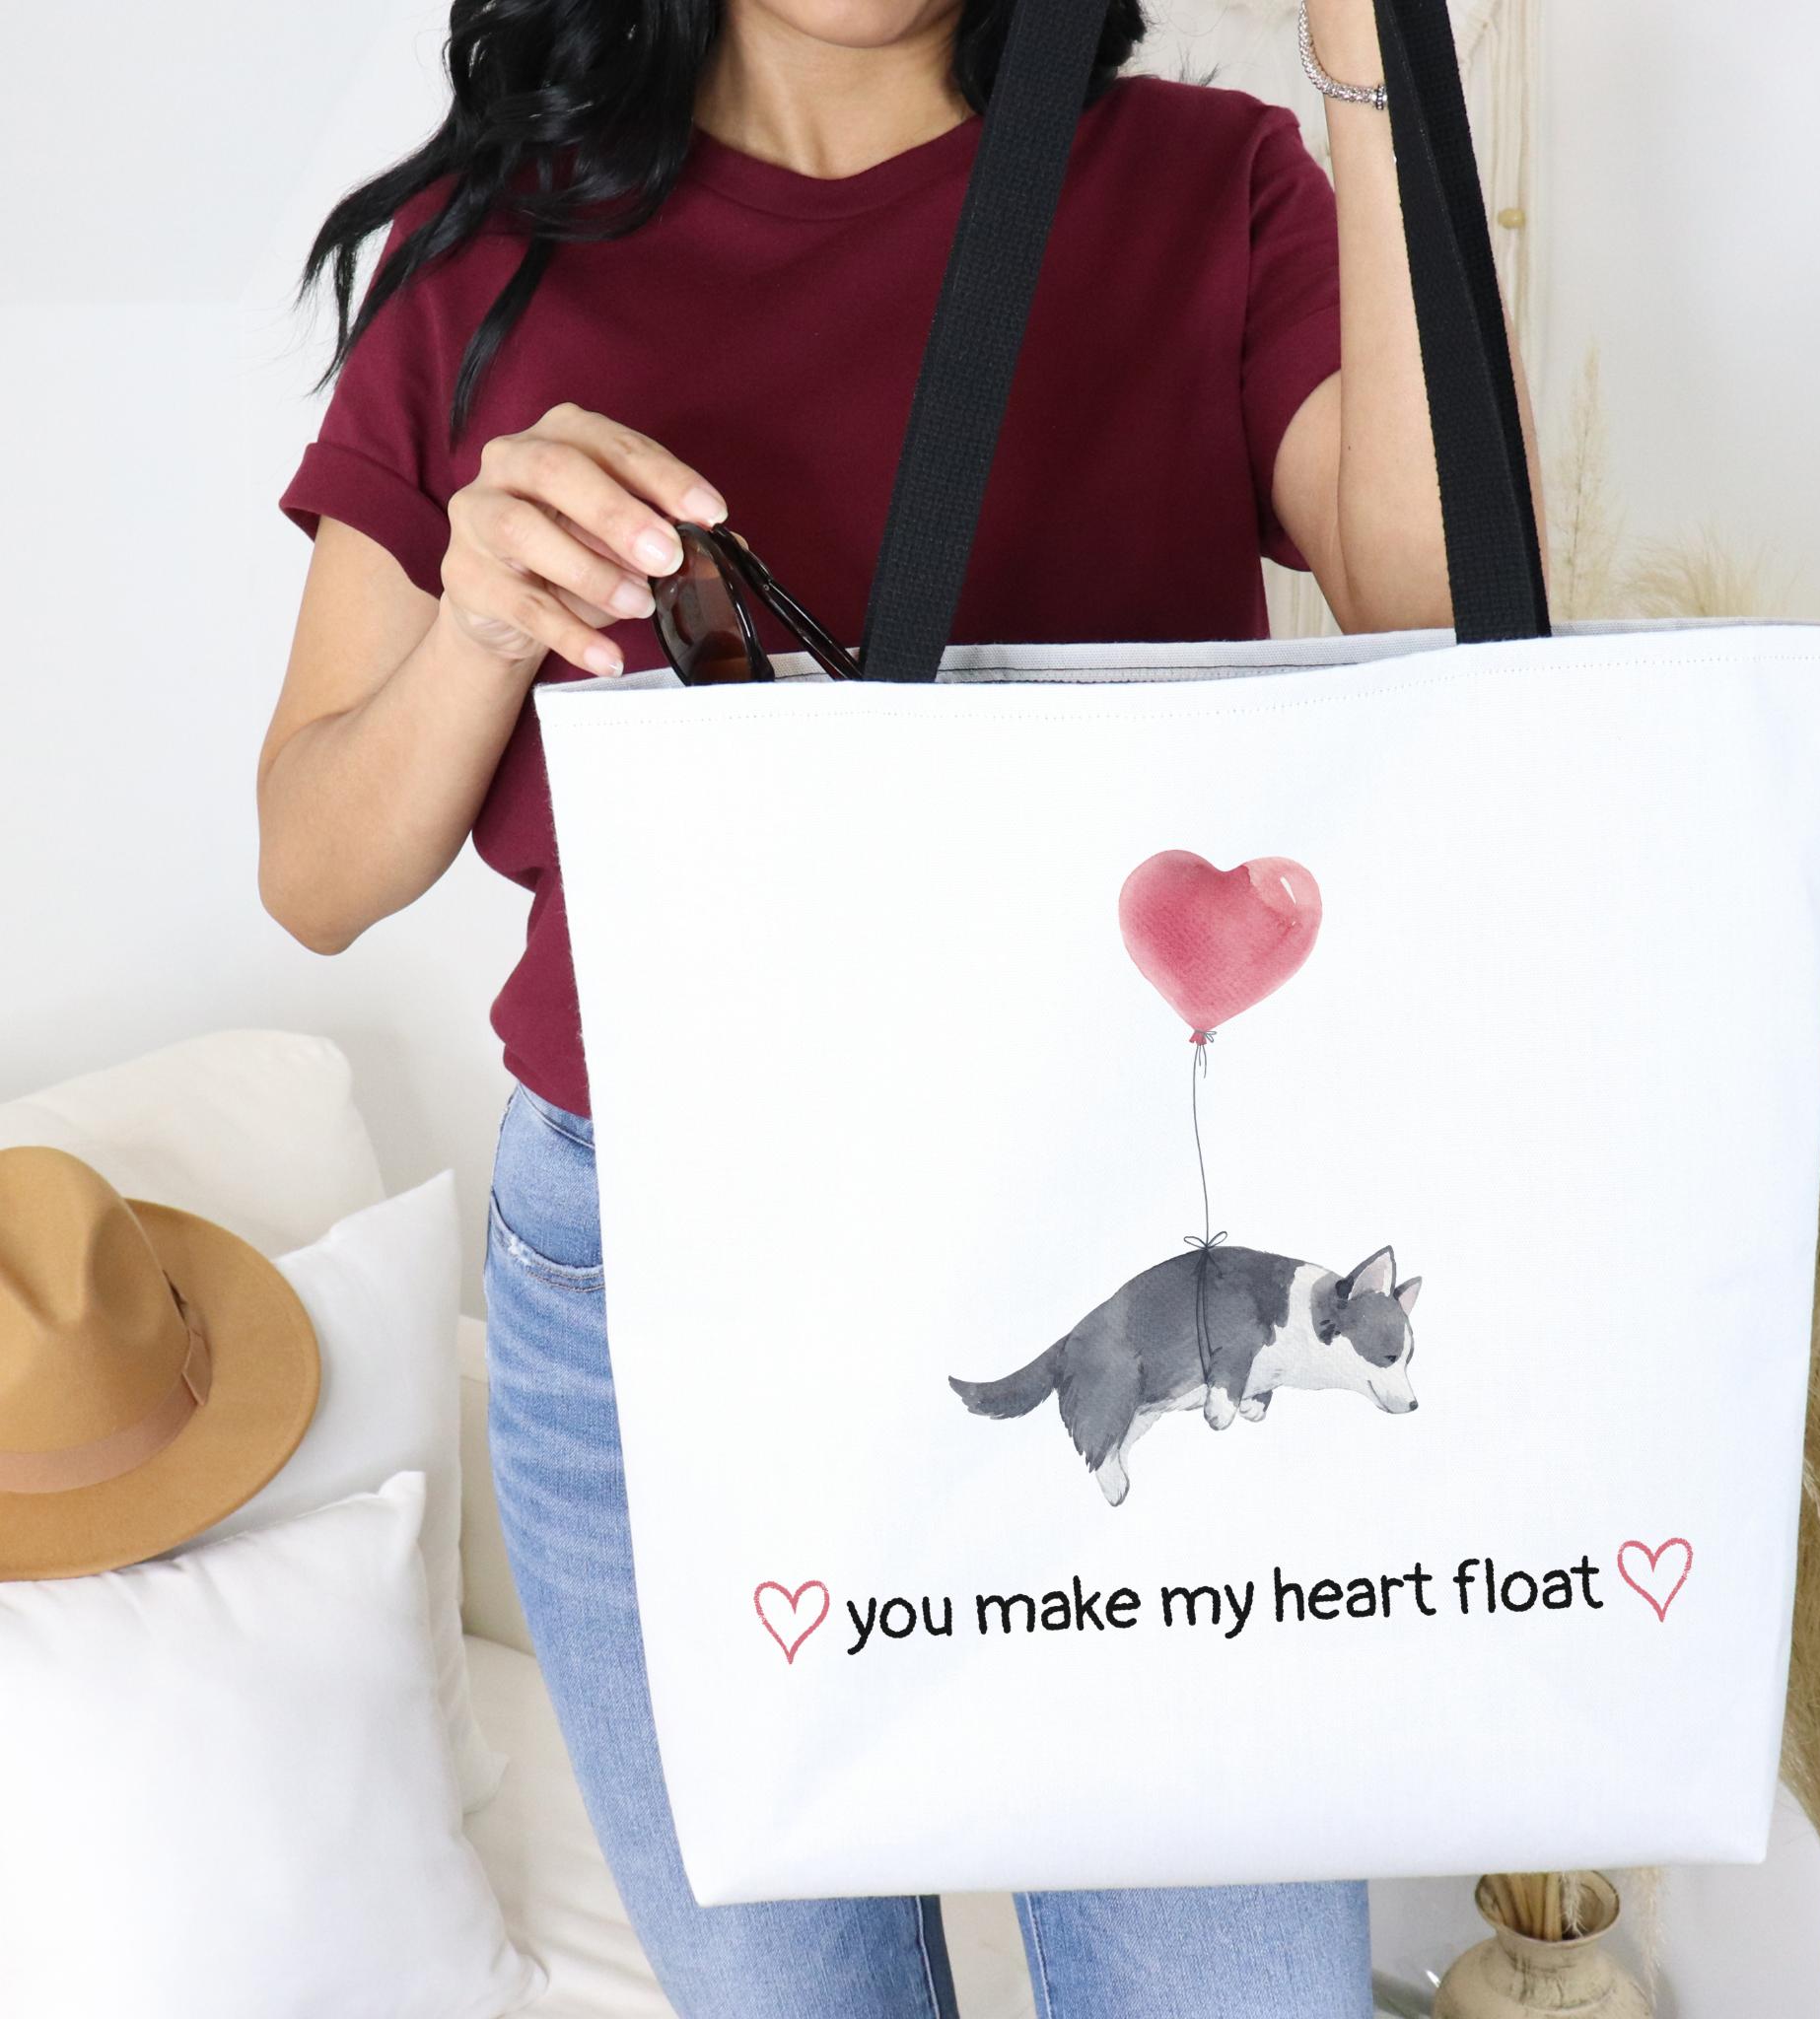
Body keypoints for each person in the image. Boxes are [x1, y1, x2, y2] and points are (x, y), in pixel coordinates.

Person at [261, 0, 1547, 2010]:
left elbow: (1451, 614)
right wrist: (482, 626)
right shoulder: (489, 254)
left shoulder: (1207, 189)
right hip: (651, 1266)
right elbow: (314, 865)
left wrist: (1370, 57)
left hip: (1111, 1241)